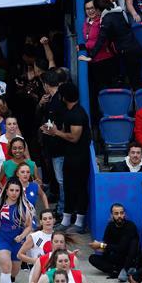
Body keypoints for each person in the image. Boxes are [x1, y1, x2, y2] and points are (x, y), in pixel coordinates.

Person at [47, 83, 91, 233]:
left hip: (80, 158)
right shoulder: (69, 112)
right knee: (68, 187)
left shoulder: (77, 114)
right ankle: (66, 220)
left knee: (79, 189)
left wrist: (56, 132)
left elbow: (74, 137)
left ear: (64, 97)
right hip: (70, 157)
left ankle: (79, 223)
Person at [88, 204, 139, 281]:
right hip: (116, 257)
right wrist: (98, 247)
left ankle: (125, 269)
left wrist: (101, 245)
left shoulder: (130, 226)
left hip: (128, 258)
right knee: (92, 258)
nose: (119, 216)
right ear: (112, 215)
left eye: (121, 213)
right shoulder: (110, 226)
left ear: (124, 214)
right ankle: (119, 271)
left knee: (134, 242)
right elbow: (106, 245)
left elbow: (122, 248)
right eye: (116, 213)